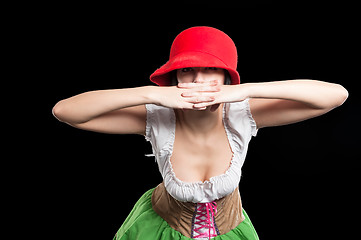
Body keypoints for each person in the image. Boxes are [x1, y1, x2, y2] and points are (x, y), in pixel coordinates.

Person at [52, 26, 348, 239]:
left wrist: (245, 90)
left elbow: (336, 95)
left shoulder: (242, 114)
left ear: (226, 77)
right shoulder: (157, 116)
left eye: (210, 70)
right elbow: (65, 112)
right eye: (186, 71)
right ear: (174, 78)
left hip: (231, 229)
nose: (198, 81)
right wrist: (150, 95)